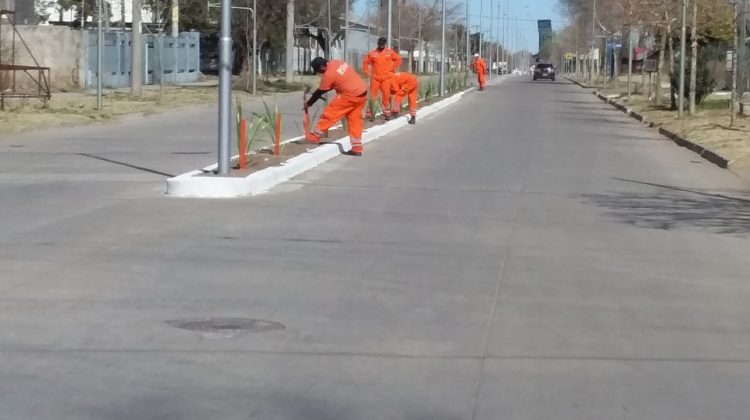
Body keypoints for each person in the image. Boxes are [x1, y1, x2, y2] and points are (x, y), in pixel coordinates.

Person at [305, 57, 367, 156]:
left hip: (349, 95)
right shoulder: (337, 62)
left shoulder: (329, 75)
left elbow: (321, 91)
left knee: (331, 113)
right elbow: (338, 80)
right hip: (362, 93)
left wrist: (309, 103)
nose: (320, 73)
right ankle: (357, 147)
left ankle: (315, 136)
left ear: (321, 67)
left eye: (318, 71)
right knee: (355, 120)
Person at [362, 37, 402, 120]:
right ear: (378, 44)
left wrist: (392, 68)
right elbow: (365, 63)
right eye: (380, 44)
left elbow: (398, 60)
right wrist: (368, 73)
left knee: (386, 95)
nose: (381, 46)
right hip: (375, 78)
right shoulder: (372, 53)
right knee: (373, 96)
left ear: (385, 44)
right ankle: (370, 114)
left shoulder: (390, 52)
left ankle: (387, 114)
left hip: (386, 78)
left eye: (382, 44)